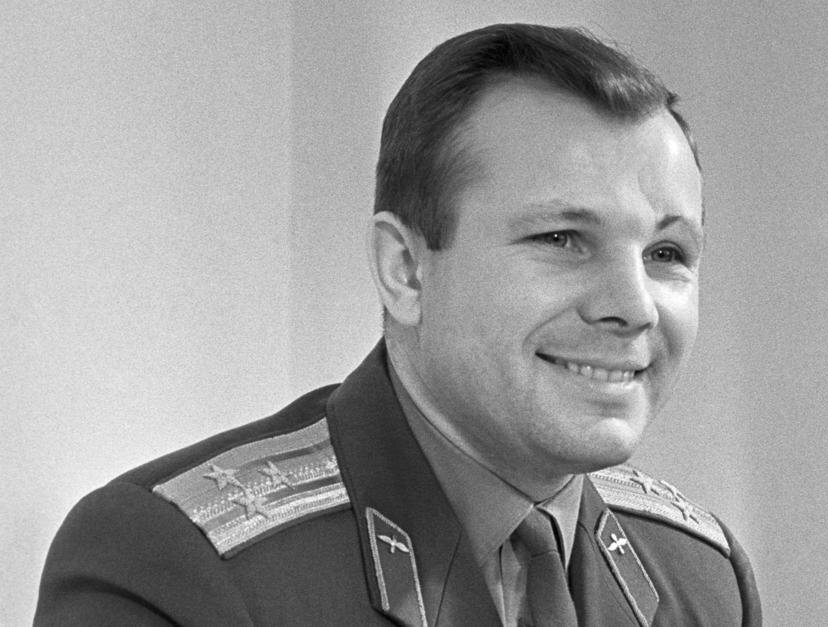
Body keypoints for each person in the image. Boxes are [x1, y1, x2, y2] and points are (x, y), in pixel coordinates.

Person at [36, 23, 761, 626]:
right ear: (406, 270)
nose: (633, 305)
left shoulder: (700, 577)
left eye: (667, 253)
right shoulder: (174, 565)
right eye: (562, 238)